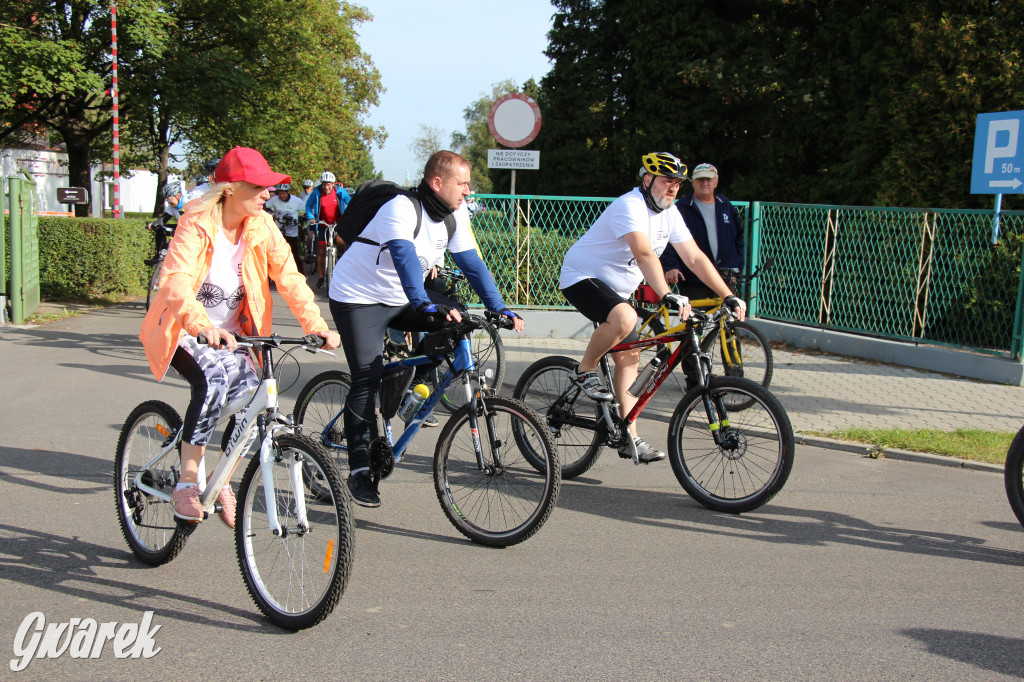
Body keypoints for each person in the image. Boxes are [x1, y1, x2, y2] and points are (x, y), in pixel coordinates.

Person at [139, 147, 340, 527]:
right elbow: (176, 280)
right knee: (213, 383)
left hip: (235, 335)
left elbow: (290, 278)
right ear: (230, 189)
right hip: (185, 329)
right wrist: (201, 326)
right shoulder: (195, 222)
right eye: (258, 186)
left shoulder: (262, 226)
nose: (267, 193)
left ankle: (222, 481)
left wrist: (315, 326)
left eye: (269, 187)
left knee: (253, 396)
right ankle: (187, 483)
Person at [328, 150, 524, 507]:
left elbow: (471, 263)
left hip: (402, 296)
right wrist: (422, 302)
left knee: (458, 320)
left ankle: (406, 389)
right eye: (462, 184)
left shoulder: (455, 214)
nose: (468, 191)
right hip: (358, 298)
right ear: (437, 183)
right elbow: (404, 257)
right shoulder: (402, 208)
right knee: (366, 378)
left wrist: (498, 306)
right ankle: (359, 469)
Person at [559, 152, 746, 463]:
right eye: (666, 181)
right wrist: (666, 293)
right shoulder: (629, 205)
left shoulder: (670, 213)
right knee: (625, 317)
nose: (673, 188)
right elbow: (644, 254)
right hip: (582, 276)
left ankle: (628, 437)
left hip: (616, 290)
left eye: (677, 183)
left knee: (630, 359)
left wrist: (727, 295)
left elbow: (694, 258)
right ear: (647, 180)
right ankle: (584, 370)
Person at [660, 162, 745, 298]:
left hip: (725, 279)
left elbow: (738, 239)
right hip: (693, 280)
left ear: (716, 182)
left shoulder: (725, 205)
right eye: (700, 179)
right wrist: (671, 266)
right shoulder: (681, 207)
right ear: (693, 182)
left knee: (728, 311)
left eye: (708, 179)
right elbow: (667, 240)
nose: (704, 183)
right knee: (694, 312)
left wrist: (737, 268)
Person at [304, 171, 351, 288]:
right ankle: (321, 277)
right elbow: (308, 205)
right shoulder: (317, 192)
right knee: (321, 251)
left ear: (333, 184)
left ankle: (340, 259)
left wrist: (349, 216)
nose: (326, 187)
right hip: (323, 225)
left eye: (329, 184)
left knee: (340, 242)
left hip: (337, 224)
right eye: (324, 184)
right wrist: (311, 217)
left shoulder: (340, 192)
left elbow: (350, 203)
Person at [264, 182, 307, 273]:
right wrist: (269, 212)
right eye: (280, 193)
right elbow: (265, 206)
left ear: (288, 192)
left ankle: (300, 272)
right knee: (275, 252)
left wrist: (300, 218)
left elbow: (303, 211)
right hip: (278, 229)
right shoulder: (275, 200)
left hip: (292, 230)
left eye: (284, 193)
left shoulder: (296, 201)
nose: (282, 196)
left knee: (294, 252)